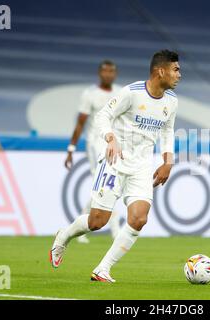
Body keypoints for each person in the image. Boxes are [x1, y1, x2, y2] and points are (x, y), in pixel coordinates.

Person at [50, 49, 181, 282]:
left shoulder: (171, 102)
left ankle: (103, 269)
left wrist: (168, 162)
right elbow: (102, 116)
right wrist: (110, 138)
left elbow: (168, 131)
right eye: (175, 69)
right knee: (97, 221)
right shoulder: (131, 93)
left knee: (139, 218)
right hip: (114, 162)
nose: (179, 75)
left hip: (141, 166)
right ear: (161, 71)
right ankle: (64, 236)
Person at [65, 60, 122, 243]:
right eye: (105, 71)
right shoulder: (90, 94)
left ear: (115, 74)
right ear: (99, 73)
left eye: (111, 71)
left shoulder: (120, 93)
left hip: (114, 144)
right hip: (95, 145)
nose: (108, 75)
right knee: (105, 185)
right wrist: (71, 149)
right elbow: (80, 123)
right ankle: (115, 230)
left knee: (105, 186)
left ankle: (77, 227)